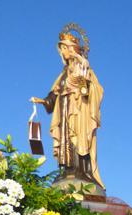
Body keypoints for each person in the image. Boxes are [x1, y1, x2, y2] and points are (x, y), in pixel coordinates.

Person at [30, 27, 105, 188]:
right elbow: (56, 92)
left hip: (79, 109)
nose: (63, 52)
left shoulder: (83, 67)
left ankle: (82, 172)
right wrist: (43, 101)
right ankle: (66, 170)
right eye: (61, 49)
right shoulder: (63, 73)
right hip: (63, 108)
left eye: (65, 48)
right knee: (65, 138)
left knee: (78, 137)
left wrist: (84, 89)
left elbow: (95, 89)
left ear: (72, 49)